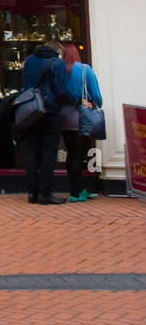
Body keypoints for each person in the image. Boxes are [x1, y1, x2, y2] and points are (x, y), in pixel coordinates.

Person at [21, 37, 70, 205]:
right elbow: (61, 90)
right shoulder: (57, 63)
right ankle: (46, 193)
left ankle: (32, 193)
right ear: (58, 51)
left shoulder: (29, 60)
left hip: (32, 110)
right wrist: (75, 100)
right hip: (49, 110)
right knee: (49, 152)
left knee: (33, 150)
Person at [61, 44, 103, 202]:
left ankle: (77, 189)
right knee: (79, 154)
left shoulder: (60, 71)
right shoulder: (85, 69)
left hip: (64, 117)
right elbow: (97, 96)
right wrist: (94, 102)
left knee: (71, 153)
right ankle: (76, 192)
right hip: (82, 116)